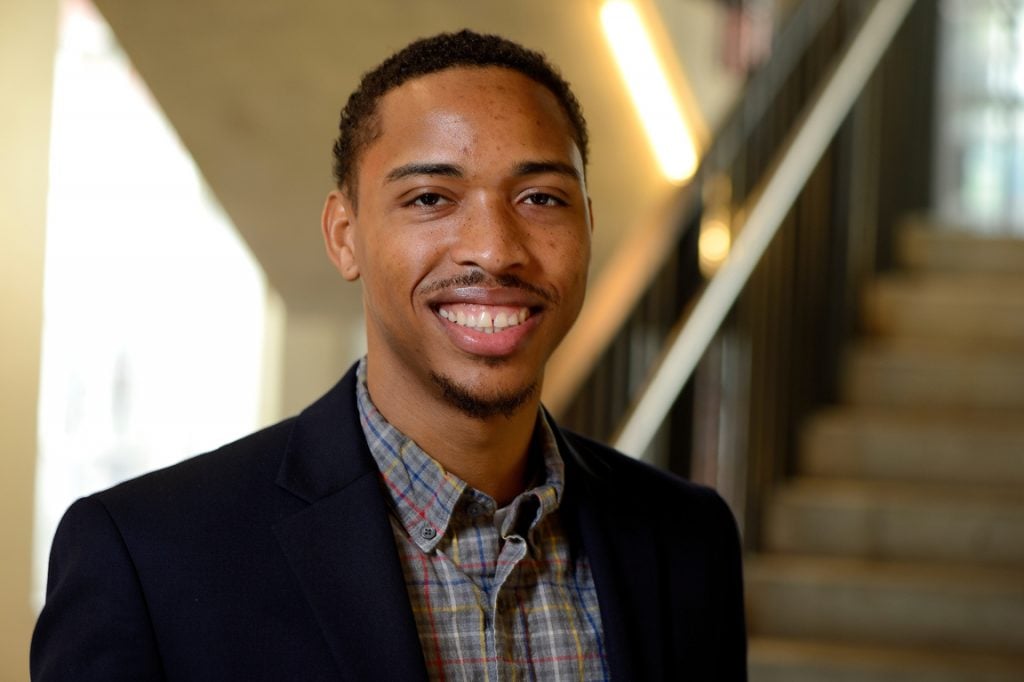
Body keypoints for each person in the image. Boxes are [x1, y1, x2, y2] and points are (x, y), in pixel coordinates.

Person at [31, 30, 747, 681]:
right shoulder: (148, 559)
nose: (495, 249)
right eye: (432, 197)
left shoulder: (687, 541)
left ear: (588, 225)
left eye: (539, 198)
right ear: (345, 236)